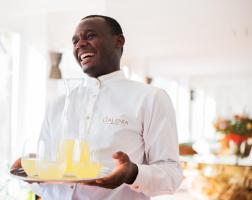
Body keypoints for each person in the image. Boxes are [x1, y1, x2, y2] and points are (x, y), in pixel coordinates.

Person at [12, 15, 183, 199]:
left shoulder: (151, 98)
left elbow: (172, 176)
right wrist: (34, 176)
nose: (80, 44)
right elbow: (50, 184)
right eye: (75, 41)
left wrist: (133, 173)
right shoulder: (57, 105)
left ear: (118, 41)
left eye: (90, 36)